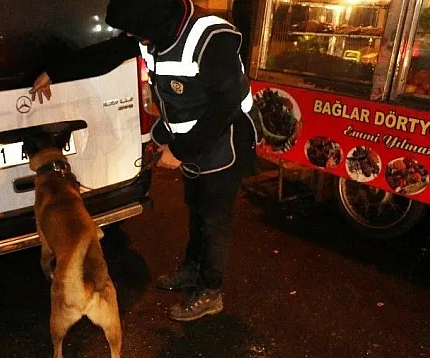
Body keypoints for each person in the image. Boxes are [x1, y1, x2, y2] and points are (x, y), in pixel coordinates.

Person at [30, 0, 260, 322]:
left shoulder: (211, 37)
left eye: (135, 30)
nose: (132, 36)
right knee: (196, 210)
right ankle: (193, 269)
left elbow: (225, 107)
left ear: (154, 18)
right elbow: (106, 54)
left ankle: (211, 290)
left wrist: (179, 152)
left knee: (214, 220)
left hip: (226, 141)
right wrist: (54, 72)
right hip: (194, 138)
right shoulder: (154, 29)